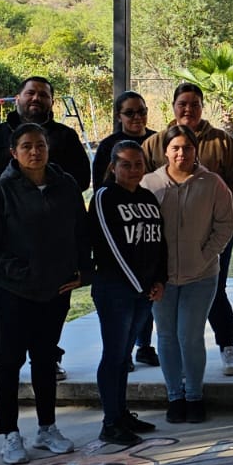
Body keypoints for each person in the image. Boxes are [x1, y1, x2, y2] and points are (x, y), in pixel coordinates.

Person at [0, 123, 89, 465]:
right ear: (14, 152)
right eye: (26, 146)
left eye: (40, 145)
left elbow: (81, 231)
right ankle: (10, 433)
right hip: (13, 292)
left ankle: (47, 427)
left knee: (46, 359)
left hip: (55, 290)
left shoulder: (65, 185)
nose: (34, 151)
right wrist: (16, 271)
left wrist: (83, 271)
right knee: (9, 363)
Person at [141, 83, 233, 377]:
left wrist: (220, 205)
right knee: (161, 292)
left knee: (216, 289)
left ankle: (227, 345)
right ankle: (161, 354)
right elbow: (140, 183)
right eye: (183, 103)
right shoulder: (155, 142)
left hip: (210, 233)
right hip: (165, 239)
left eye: (194, 104)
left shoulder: (221, 141)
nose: (188, 109)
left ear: (203, 106)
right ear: (173, 106)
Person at [141, 124, 233, 424]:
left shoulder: (212, 183)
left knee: (190, 336)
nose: (181, 153)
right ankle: (175, 396)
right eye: (175, 148)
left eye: (188, 148)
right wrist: (150, 268)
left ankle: (194, 395)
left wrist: (205, 254)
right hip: (161, 279)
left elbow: (225, 225)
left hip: (201, 275)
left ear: (196, 150)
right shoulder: (149, 184)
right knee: (166, 336)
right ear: (165, 151)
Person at [88, 140, 165, 448]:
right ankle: (110, 422)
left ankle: (121, 414)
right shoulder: (104, 196)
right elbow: (111, 245)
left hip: (144, 291)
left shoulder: (147, 196)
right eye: (126, 165)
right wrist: (137, 284)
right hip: (115, 290)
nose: (133, 170)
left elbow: (159, 242)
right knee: (114, 354)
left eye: (138, 164)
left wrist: (160, 279)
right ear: (112, 167)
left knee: (124, 357)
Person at [93, 92, 158, 368]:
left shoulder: (156, 140)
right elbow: (100, 187)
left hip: (149, 218)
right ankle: (126, 353)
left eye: (141, 111)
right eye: (129, 112)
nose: (137, 117)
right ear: (119, 116)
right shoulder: (108, 146)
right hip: (120, 227)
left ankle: (145, 345)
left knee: (146, 295)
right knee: (117, 342)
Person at [0, 75, 92, 197]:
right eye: (30, 93)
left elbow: (82, 178)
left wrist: (48, 198)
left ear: (52, 102)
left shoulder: (66, 136)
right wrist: (1, 198)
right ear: (17, 99)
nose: (36, 98)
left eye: (43, 95)